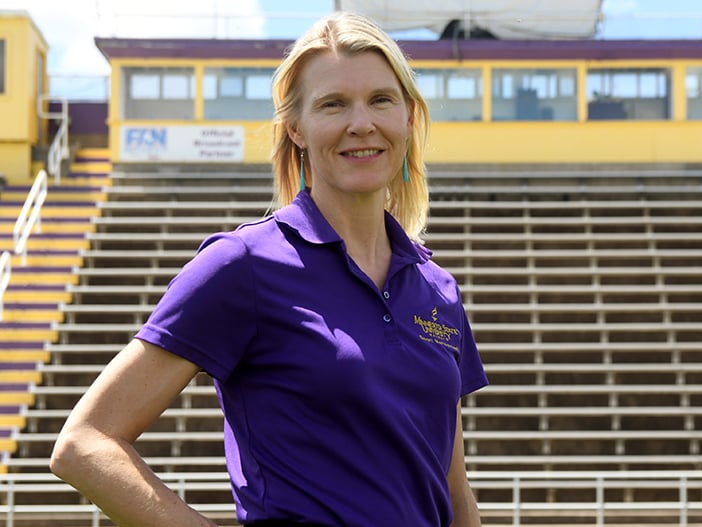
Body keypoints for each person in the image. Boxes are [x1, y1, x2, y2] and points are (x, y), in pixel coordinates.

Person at [50, 11, 488, 527]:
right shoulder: (244, 265)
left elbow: (454, 495)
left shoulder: (437, 288)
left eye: (380, 100)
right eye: (333, 104)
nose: (361, 123)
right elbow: (84, 442)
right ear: (297, 129)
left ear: (408, 118)